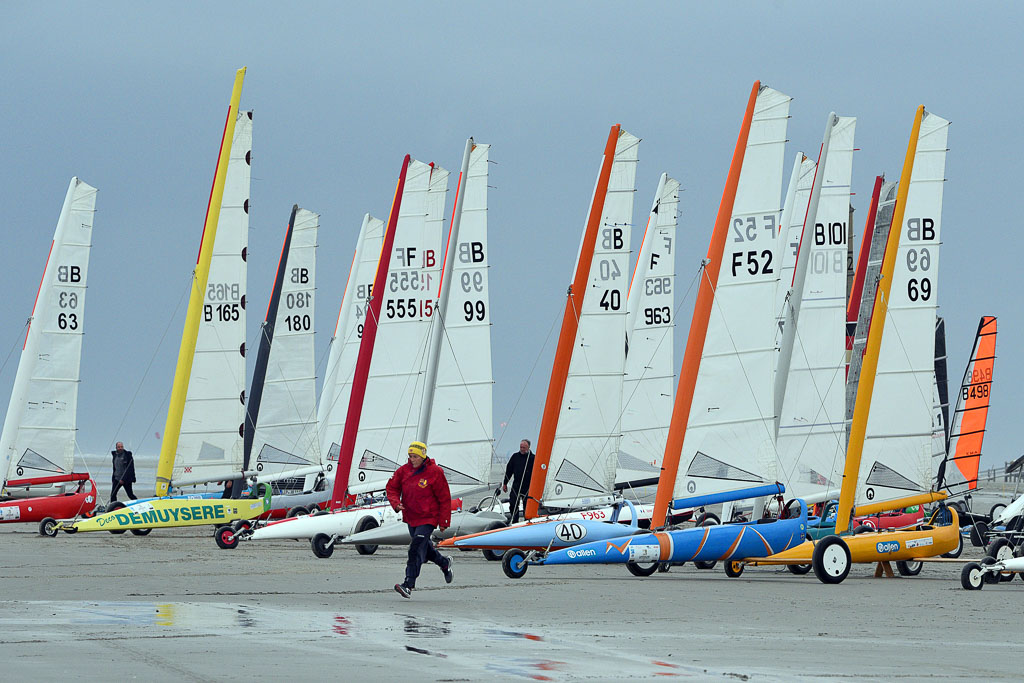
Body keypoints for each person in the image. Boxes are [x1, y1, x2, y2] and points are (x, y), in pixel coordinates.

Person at [386, 441, 453, 598]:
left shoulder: (435, 472)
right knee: (426, 549)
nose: (412, 459)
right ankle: (444, 563)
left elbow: (444, 498)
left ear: (423, 456)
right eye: (410, 456)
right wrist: (396, 503)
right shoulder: (403, 471)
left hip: (428, 518)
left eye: (415, 456)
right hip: (411, 517)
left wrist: (444, 521)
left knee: (415, 548)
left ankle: (408, 584)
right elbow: (391, 488)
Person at [502, 439, 535, 524]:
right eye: (521, 447)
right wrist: (505, 483)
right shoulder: (515, 456)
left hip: (528, 486)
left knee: (526, 505)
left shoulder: (533, 458)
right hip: (516, 485)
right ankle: (514, 520)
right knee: (513, 503)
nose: (522, 449)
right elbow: (509, 471)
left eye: (524, 447)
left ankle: (527, 521)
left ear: (528, 447)